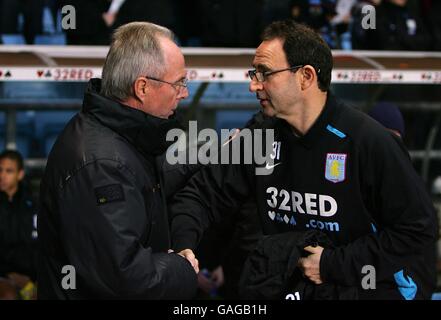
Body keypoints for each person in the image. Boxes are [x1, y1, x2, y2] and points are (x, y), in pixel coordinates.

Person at [170, 20, 438, 299]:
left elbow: (417, 231)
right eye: (254, 72)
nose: (253, 85)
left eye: (264, 73)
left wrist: (333, 264)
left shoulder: (367, 142)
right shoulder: (260, 136)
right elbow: (201, 194)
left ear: (306, 77)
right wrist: (183, 247)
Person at [38, 21, 198, 299]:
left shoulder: (118, 137)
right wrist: (181, 267)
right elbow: (127, 277)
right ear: (142, 87)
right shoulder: (102, 164)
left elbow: (141, 186)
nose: (184, 93)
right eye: (179, 83)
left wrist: (203, 159)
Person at [0, 150, 38, 300]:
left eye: (9, 171)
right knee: (7, 296)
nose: (2, 175)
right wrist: (8, 275)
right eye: (0, 170)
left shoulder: (34, 205)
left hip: (31, 277)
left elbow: (40, 245)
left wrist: (31, 280)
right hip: (3, 276)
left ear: (20, 174)